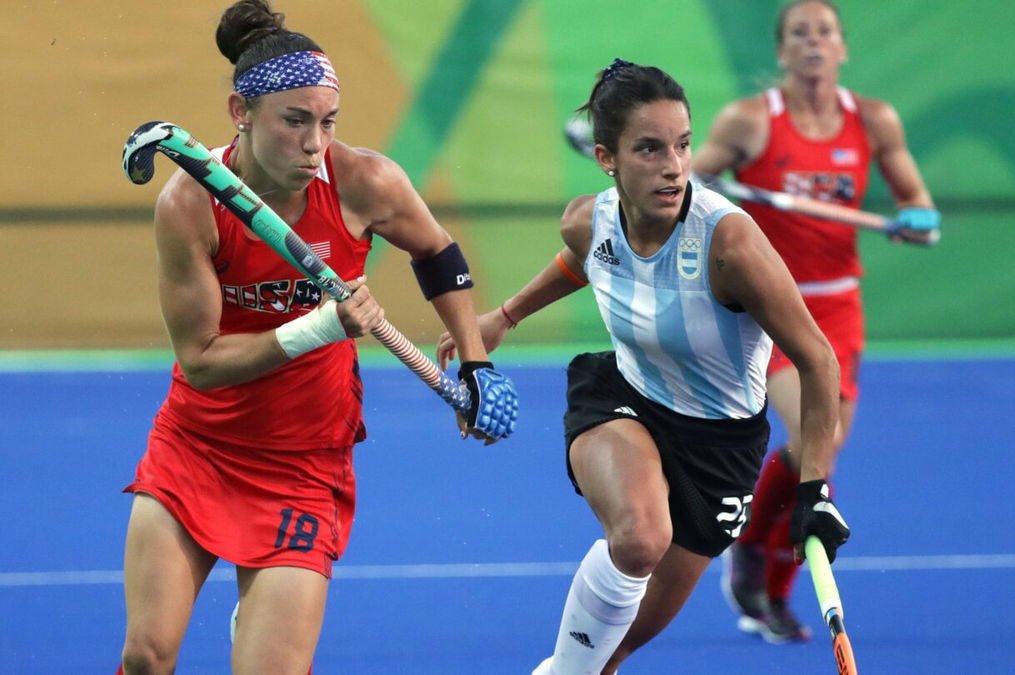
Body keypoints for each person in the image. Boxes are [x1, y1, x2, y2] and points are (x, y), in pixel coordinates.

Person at [117, 1, 517, 672]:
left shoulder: (364, 182)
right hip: (198, 444)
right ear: (240, 112)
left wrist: (475, 364)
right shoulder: (188, 206)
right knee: (146, 656)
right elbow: (203, 361)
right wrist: (321, 326)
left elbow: (439, 254)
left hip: (304, 458)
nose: (314, 144)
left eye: (327, 122)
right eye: (294, 121)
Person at [437, 58, 848, 675]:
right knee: (639, 539)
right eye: (650, 149)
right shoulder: (588, 218)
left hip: (720, 447)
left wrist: (814, 488)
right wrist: (505, 316)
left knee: (613, 654)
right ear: (608, 158)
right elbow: (585, 258)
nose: (674, 165)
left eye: (682, 145)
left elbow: (818, 361)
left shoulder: (729, 245)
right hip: (625, 399)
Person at [693, 0, 940, 644]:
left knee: (819, 460)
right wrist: (705, 182)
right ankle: (749, 551)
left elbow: (917, 202)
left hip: (838, 304)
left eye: (824, 32)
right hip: (769, 304)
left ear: (842, 48)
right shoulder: (750, 122)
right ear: (781, 51)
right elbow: (687, 186)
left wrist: (915, 217)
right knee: (810, 441)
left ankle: (769, 591)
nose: (812, 42)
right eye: (799, 32)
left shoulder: (873, 120)